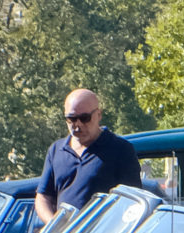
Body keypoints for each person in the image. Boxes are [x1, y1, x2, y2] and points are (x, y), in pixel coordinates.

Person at [34, 88, 142, 225]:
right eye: (71, 119)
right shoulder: (56, 150)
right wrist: (53, 224)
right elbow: (43, 197)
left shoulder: (120, 149)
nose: (78, 125)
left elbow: (132, 201)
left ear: (98, 115)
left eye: (85, 118)